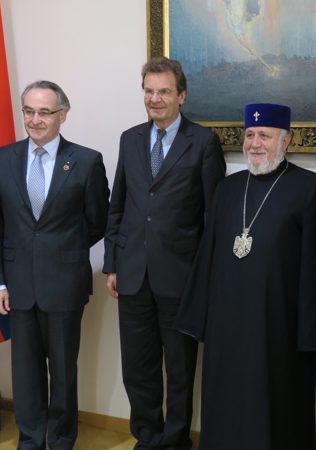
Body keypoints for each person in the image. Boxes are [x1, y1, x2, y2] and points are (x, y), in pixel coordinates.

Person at [176, 103, 316, 450]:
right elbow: (208, 254)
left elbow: (314, 265)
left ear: (285, 141)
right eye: (249, 135)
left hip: (279, 325)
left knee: (277, 407)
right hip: (226, 325)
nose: (254, 143)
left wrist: (311, 329)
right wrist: (199, 316)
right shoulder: (228, 189)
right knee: (226, 402)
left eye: (264, 135)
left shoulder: (309, 188)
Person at [103, 57, 225, 450]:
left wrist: (205, 276)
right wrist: (112, 263)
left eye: (164, 92)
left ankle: (174, 441)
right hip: (132, 273)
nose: (155, 99)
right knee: (137, 368)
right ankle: (147, 436)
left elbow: (212, 216)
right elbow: (117, 205)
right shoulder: (130, 138)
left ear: (182, 96)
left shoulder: (203, 142)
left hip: (181, 277)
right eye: (149, 91)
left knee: (179, 368)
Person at [0, 80, 109, 449]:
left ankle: (61, 438)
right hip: (16, 284)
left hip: (64, 282)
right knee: (25, 373)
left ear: (62, 115)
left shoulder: (86, 161)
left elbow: (98, 220)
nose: (35, 120)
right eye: (28, 111)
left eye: (44, 112)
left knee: (63, 371)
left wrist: (62, 249)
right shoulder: (1, 160)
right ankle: (29, 439)